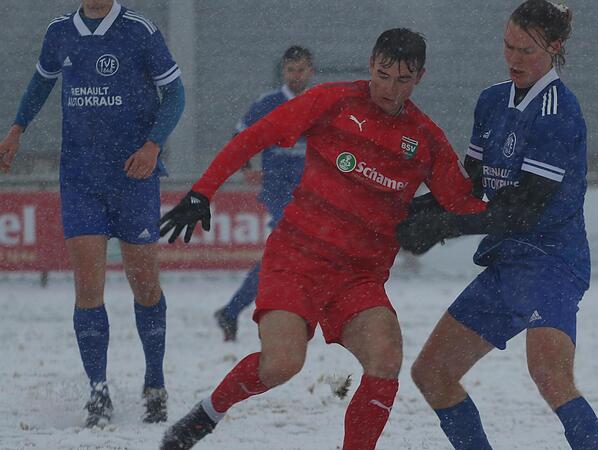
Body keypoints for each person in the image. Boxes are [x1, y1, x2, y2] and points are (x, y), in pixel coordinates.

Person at [157, 28, 486, 450]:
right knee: (282, 365)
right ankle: (207, 414)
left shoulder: (424, 138)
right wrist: (202, 192)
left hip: (359, 279)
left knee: (386, 359)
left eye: (402, 79)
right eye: (383, 74)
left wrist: (509, 192)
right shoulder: (334, 101)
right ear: (371, 64)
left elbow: (462, 202)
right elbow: (254, 137)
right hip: (296, 260)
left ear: (419, 77)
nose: (390, 88)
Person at [396, 1, 598, 449]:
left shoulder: (558, 112)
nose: (513, 59)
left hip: (552, 261)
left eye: (526, 51)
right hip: (508, 260)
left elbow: (522, 209)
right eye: (508, 46)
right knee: (432, 374)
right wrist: (407, 213)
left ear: (555, 48)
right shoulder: (491, 100)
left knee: (550, 375)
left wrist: (443, 228)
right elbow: (467, 186)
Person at [0, 0, 184, 427]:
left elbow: (175, 92)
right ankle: (98, 392)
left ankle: (154, 381)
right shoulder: (60, 31)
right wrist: (16, 129)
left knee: (145, 286)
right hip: (81, 177)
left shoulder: (140, 30)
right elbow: (41, 82)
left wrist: (153, 144)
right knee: (87, 288)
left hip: (133, 176)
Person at [213, 46, 315, 342]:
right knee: (291, 253)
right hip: (280, 191)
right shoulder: (268, 103)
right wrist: (246, 167)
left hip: (313, 194)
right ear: (284, 72)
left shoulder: (319, 102)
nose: (296, 76)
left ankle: (232, 312)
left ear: (311, 71)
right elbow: (240, 137)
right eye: (291, 70)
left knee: (286, 258)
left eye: (301, 70)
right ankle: (268, 314)